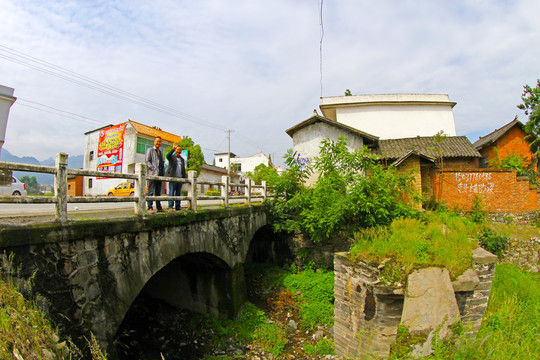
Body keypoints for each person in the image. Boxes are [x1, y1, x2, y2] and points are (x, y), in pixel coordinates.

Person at [145, 136, 165, 213]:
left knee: (158, 192)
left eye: (160, 142)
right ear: (154, 141)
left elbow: (162, 163)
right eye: (157, 141)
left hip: (160, 175)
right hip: (153, 174)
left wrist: (162, 173)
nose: (158, 143)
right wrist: (153, 169)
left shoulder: (160, 152)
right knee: (150, 191)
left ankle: (159, 207)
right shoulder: (150, 150)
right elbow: (147, 161)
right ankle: (150, 207)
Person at [166, 144, 187, 210]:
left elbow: (183, 169)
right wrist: (172, 149)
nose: (179, 151)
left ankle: (178, 206)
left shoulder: (182, 159)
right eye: (177, 149)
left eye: (180, 150)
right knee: (171, 192)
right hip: (173, 178)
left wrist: (184, 178)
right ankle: (170, 206)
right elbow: (167, 156)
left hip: (180, 178)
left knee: (178, 193)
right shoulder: (172, 157)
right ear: (175, 150)